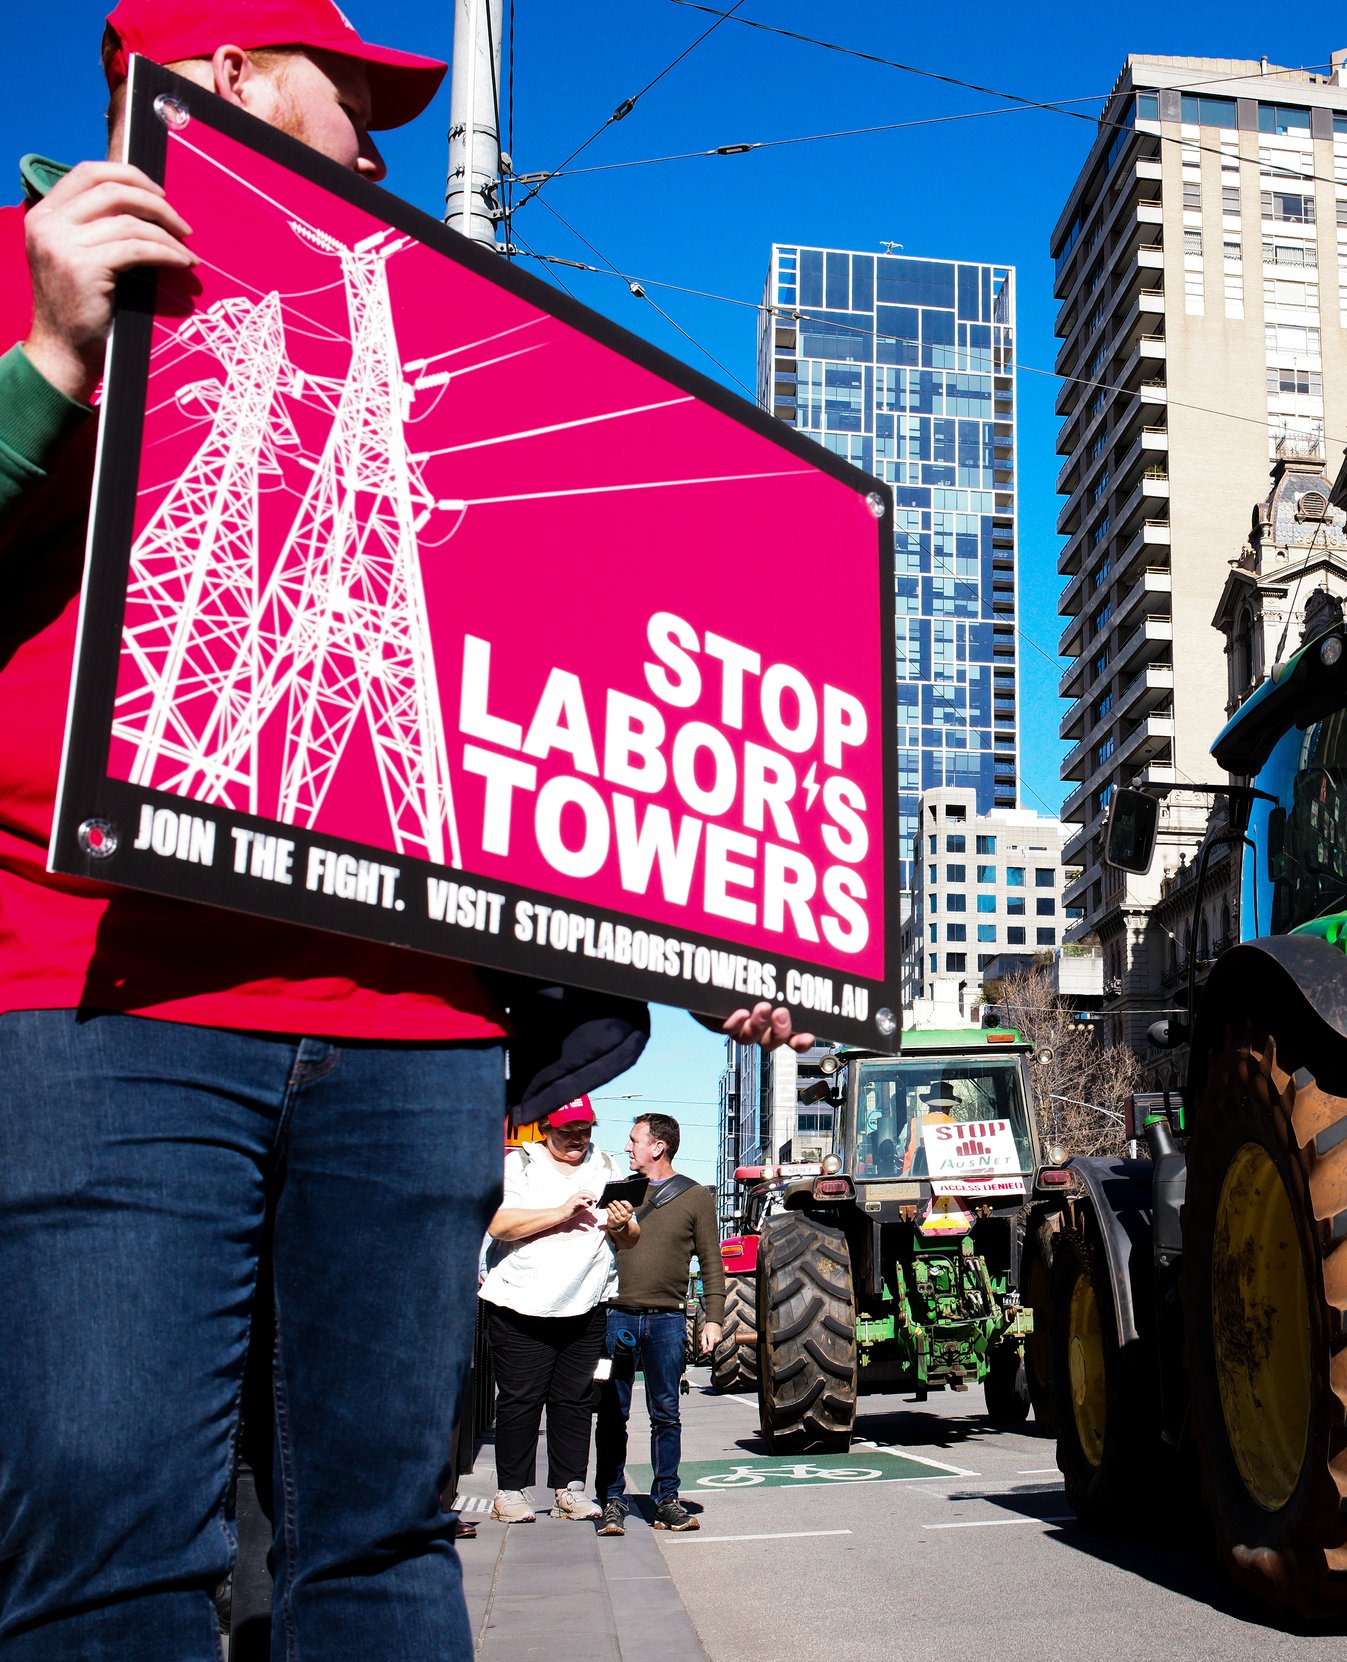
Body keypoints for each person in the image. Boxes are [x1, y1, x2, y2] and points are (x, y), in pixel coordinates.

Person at [0, 8, 813, 1653]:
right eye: (351, 95)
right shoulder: (36, 270)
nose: (378, 146)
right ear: (219, 71)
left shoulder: (438, 353)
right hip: (106, 1001)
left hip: (415, 1036)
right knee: (109, 1537)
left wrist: (711, 924)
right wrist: (47, 361)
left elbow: (543, 709)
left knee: (379, 1541)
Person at [480, 1100, 637, 1524]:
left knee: (574, 1400)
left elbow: (630, 1238)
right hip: (521, 1303)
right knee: (520, 1400)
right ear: (546, 1127)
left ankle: (570, 1489)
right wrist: (561, 1212)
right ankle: (510, 1492)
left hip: (585, 1303)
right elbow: (499, 1224)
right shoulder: (520, 1165)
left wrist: (623, 1221)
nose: (576, 1137)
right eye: (567, 1128)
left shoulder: (605, 1165)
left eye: (584, 1128)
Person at [593, 1112, 724, 1535]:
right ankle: (611, 1499)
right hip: (616, 1315)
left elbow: (711, 1260)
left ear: (658, 1146)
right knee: (612, 1414)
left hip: (667, 1320)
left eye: (634, 1140)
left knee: (666, 1414)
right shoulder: (616, 1193)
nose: (627, 1147)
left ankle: (665, 1498)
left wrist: (715, 1317)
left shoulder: (696, 1196)